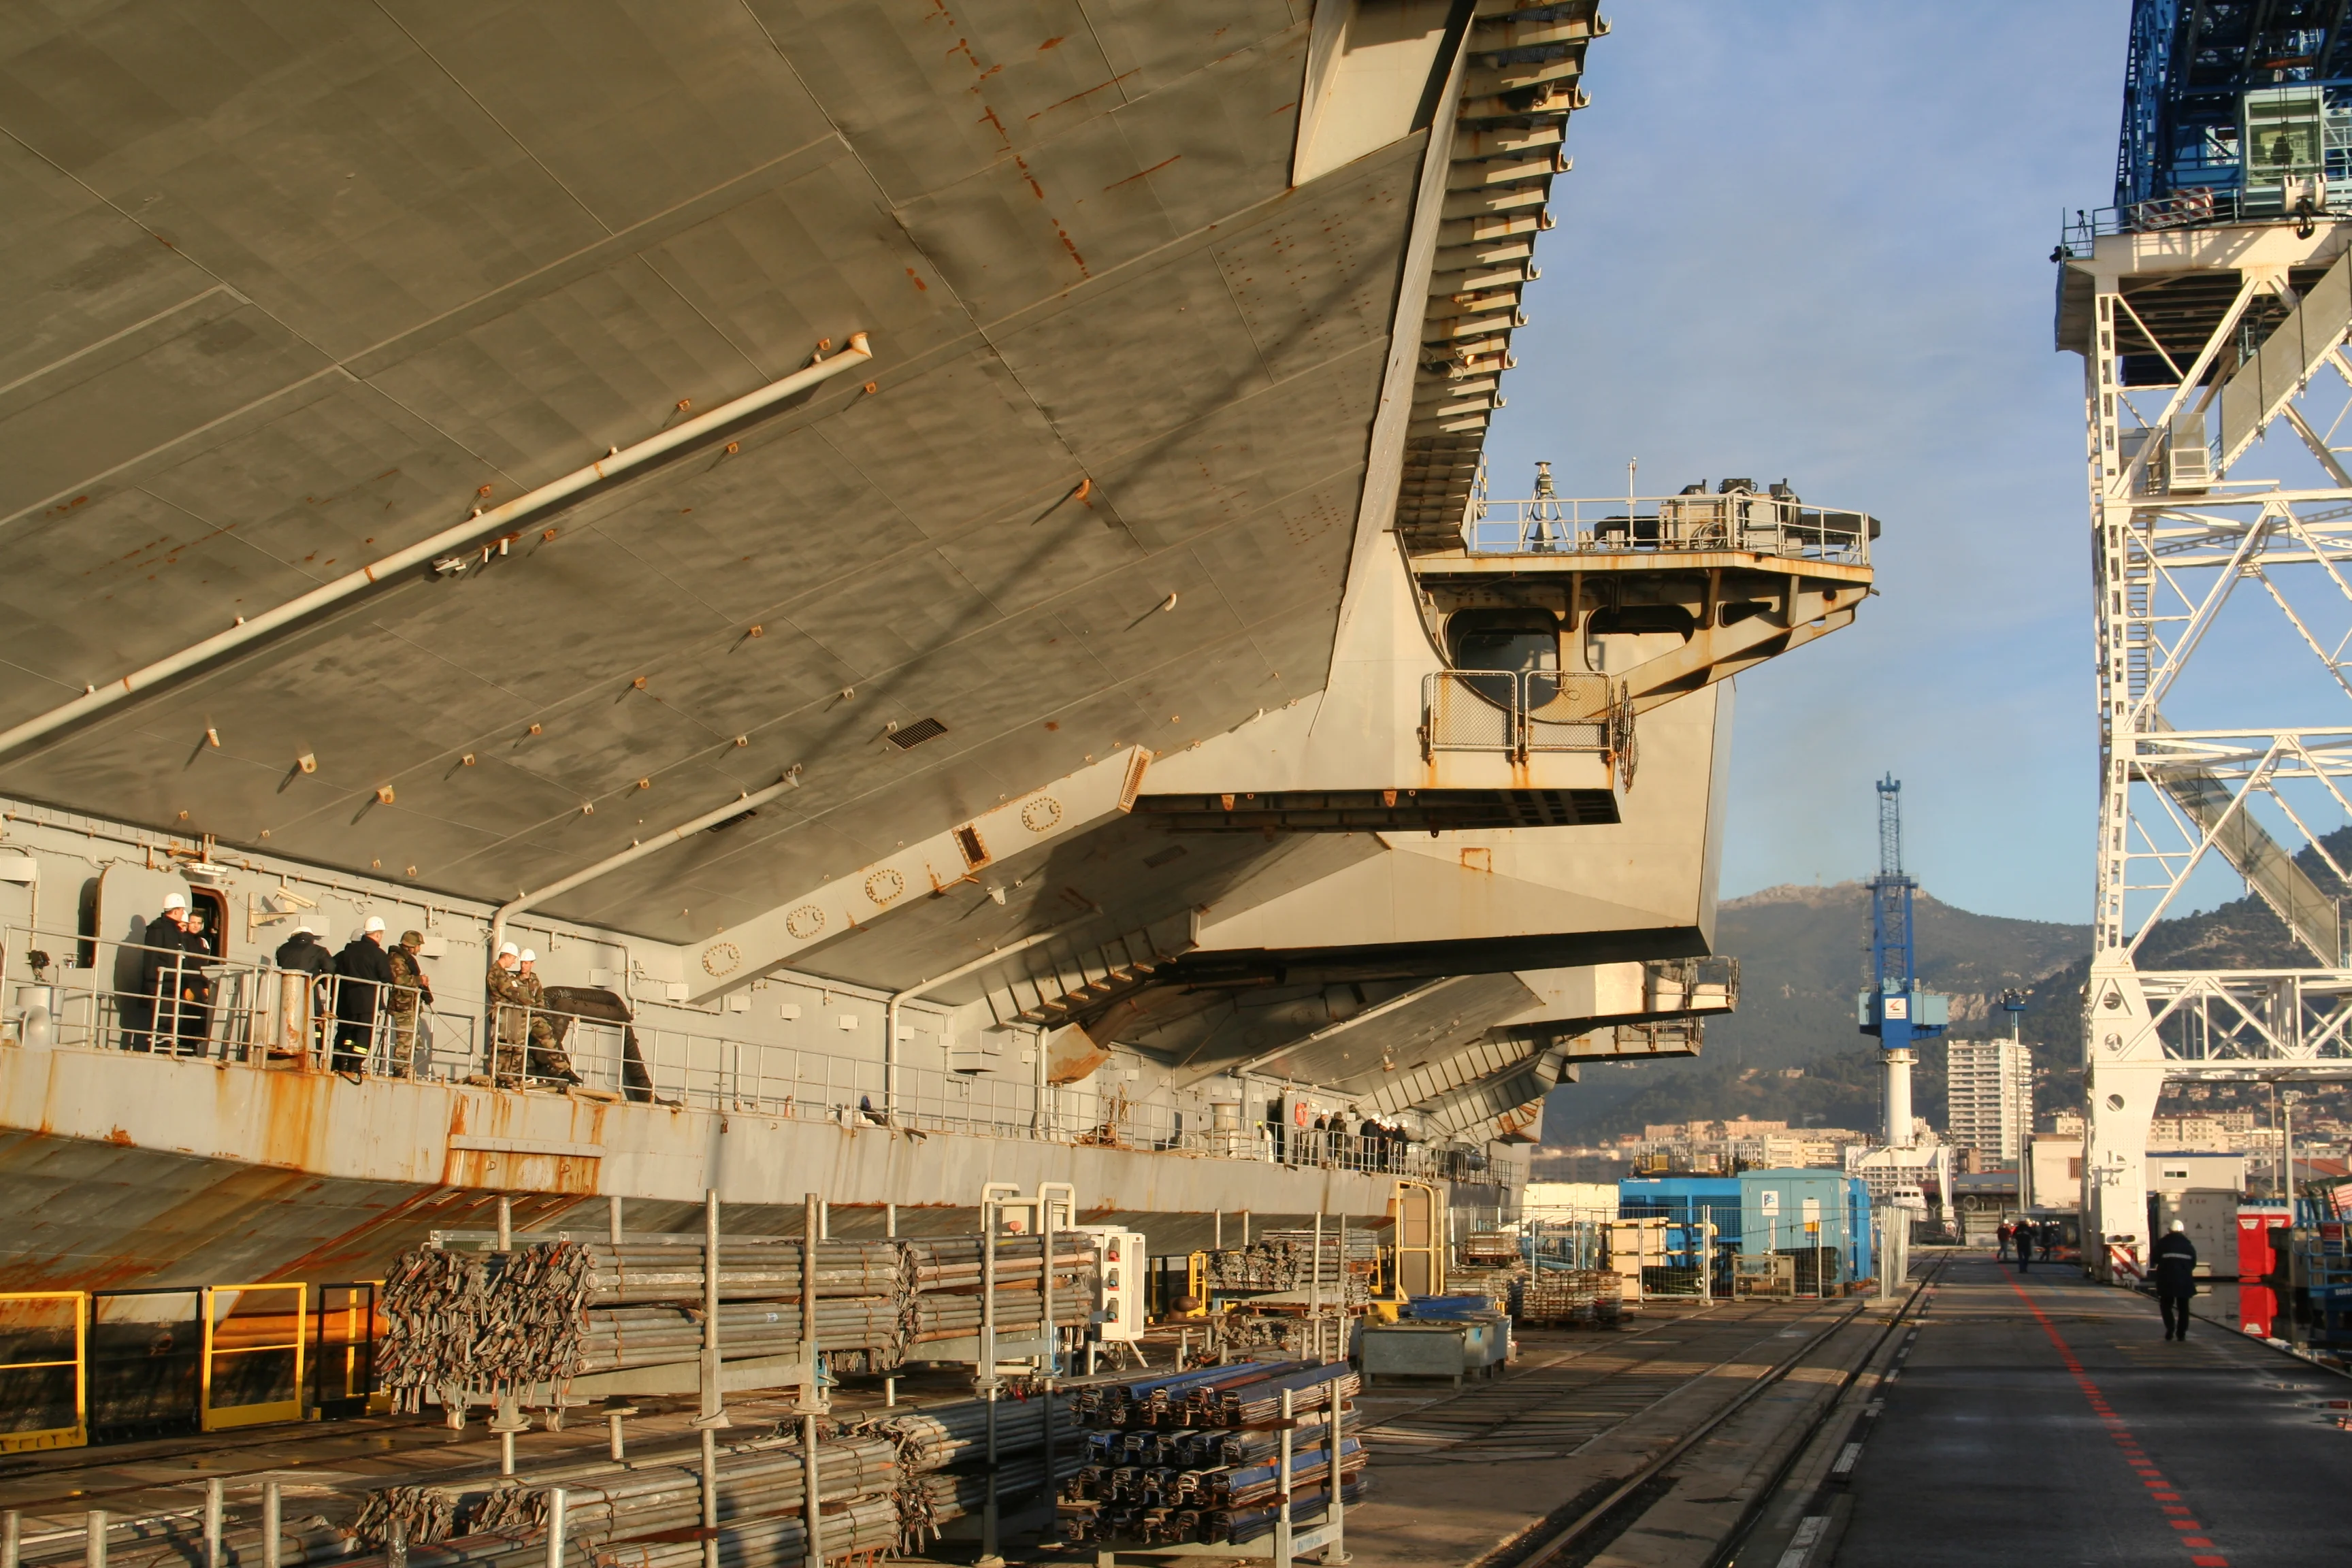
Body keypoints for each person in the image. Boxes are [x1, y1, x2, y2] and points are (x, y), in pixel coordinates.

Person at [137, 893, 201, 1054]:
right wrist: (152, 983)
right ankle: (161, 1044)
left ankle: (170, 1041)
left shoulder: (174, 930)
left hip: (174, 981)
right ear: (176, 910)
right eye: (181, 910)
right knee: (163, 1015)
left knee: (173, 1016)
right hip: (162, 981)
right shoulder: (158, 929)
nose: (182, 913)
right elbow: (152, 957)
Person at [331, 917, 395, 1073]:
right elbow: (386, 977)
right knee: (363, 1032)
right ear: (378, 934)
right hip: (368, 1001)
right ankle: (355, 1066)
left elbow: (333, 970)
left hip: (346, 1000)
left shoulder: (347, 953)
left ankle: (340, 1063)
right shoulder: (378, 954)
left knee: (346, 1031)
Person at [513, 949, 579, 1085]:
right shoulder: (514, 980)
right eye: (522, 963)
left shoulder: (535, 979)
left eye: (526, 963)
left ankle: (564, 1070)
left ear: (532, 964)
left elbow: (540, 1000)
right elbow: (514, 999)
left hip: (534, 1017)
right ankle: (511, 1075)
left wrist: (537, 1010)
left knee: (550, 1041)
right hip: (519, 1018)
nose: (523, 966)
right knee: (516, 1048)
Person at [385, 930, 434, 1078]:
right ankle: (400, 1069)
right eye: (418, 945)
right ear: (412, 945)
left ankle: (407, 1068)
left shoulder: (406, 959)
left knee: (414, 1040)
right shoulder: (397, 959)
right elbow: (399, 980)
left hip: (410, 1005)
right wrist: (420, 980)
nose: (419, 949)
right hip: (403, 1005)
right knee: (405, 1038)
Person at [487, 943, 528, 1085]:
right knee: (502, 1045)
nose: (515, 961)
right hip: (503, 1013)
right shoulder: (497, 972)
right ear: (507, 956)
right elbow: (509, 991)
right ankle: (498, 1075)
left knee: (509, 1045)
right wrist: (526, 1000)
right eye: (513, 958)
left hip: (509, 1013)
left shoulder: (502, 973)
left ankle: (505, 1075)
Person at [2153, 1219, 2198, 1340]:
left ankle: (2170, 1328)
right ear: (2182, 1231)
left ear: (2169, 1230)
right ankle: (2181, 1333)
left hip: (2166, 1280)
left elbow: (2155, 1259)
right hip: (2184, 1281)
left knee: (2166, 1305)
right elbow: (2193, 1263)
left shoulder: (2162, 1243)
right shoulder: (2188, 1245)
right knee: (2184, 1308)